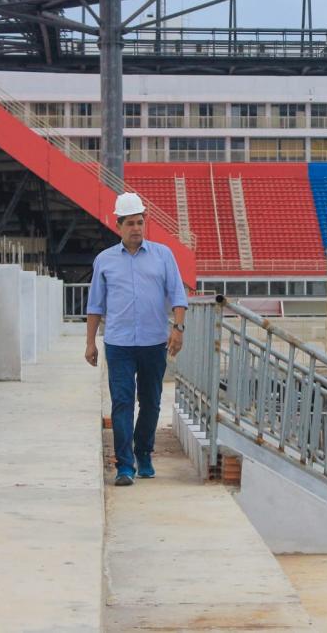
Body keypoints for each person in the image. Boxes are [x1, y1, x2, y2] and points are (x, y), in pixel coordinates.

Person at [85, 192, 188, 487]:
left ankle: (143, 454)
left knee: (152, 402)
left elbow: (178, 295)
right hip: (118, 344)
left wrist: (178, 329)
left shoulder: (163, 255)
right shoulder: (104, 261)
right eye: (130, 223)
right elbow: (95, 305)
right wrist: (90, 342)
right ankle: (124, 466)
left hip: (153, 343)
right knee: (122, 403)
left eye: (140, 222)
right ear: (118, 226)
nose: (136, 229)